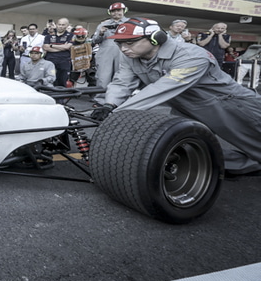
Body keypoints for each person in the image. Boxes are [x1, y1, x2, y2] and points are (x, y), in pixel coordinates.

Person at [92, 17, 261, 176]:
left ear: (156, 39)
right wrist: (109, 105)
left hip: (229, 105)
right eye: (119, 43)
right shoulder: (131, 57)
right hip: (185, 106)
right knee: (191, 148)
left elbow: (162, 89)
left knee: (255, 146)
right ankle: (240, 168)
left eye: (130, 42)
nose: (123, 48)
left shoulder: (191, 55)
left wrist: (117, 114)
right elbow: (122, 82)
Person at [92, 2, 129, 103]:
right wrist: (101, 33)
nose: (116, 13)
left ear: (124, 11)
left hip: (123, 52)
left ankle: (119, 101)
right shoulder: (103, 24)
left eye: (119, 10)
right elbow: (94, 40)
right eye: (113, 11)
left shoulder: (130, 23)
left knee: (121, 77)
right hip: (105, 53)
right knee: (103, 77)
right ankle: (100, 100)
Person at [42, 17, 73, 87]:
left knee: (62, 81)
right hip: (51, 62)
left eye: (63, 25)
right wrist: (62, 47)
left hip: (64, 62)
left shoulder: (71, 35)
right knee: (50, 81)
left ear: (67, 26)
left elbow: (67, 47)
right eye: (59, 24)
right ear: (56, 25)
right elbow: (45, 47)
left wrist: (51, 46)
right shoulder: (48, 36)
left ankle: (61, 94)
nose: (61, 26)